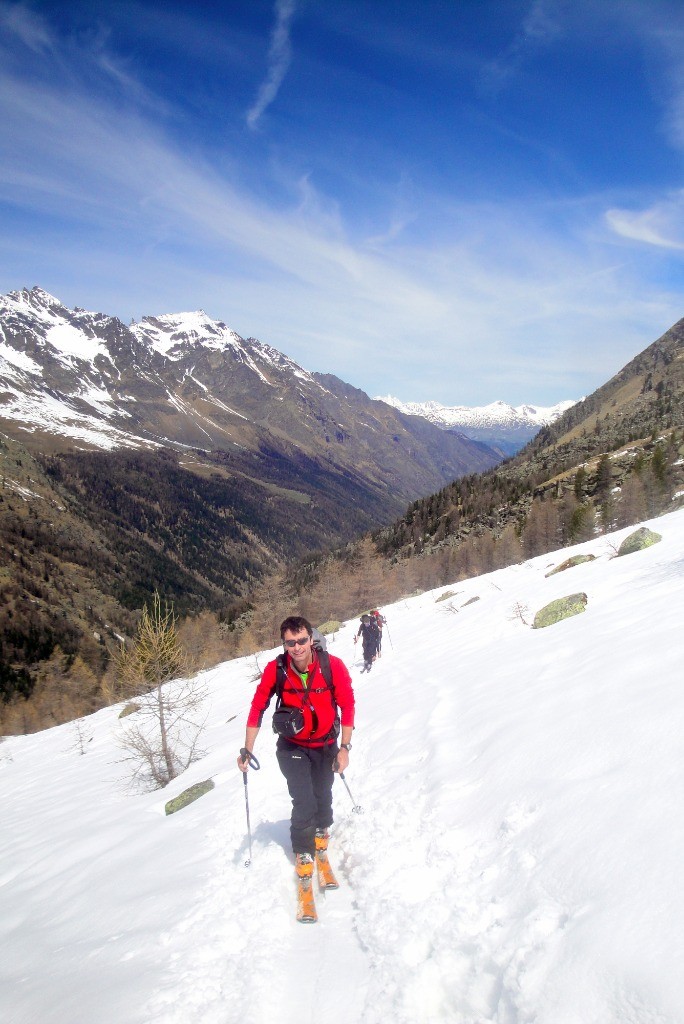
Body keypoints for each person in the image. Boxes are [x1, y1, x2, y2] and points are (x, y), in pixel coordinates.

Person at [237, 616, 355, 881]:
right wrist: (247, 749)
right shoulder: (276, 669)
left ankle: (321, 827)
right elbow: (258, 707)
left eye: (302, 640)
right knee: (304, 798)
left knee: (323, 790)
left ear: (311, 638)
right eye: (291, 643)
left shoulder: (331, 666)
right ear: (284, 644)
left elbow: (347, 705)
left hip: (326, 744)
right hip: (292, 745)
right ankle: (303, 849)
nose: (298, 647)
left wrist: (344, 747)